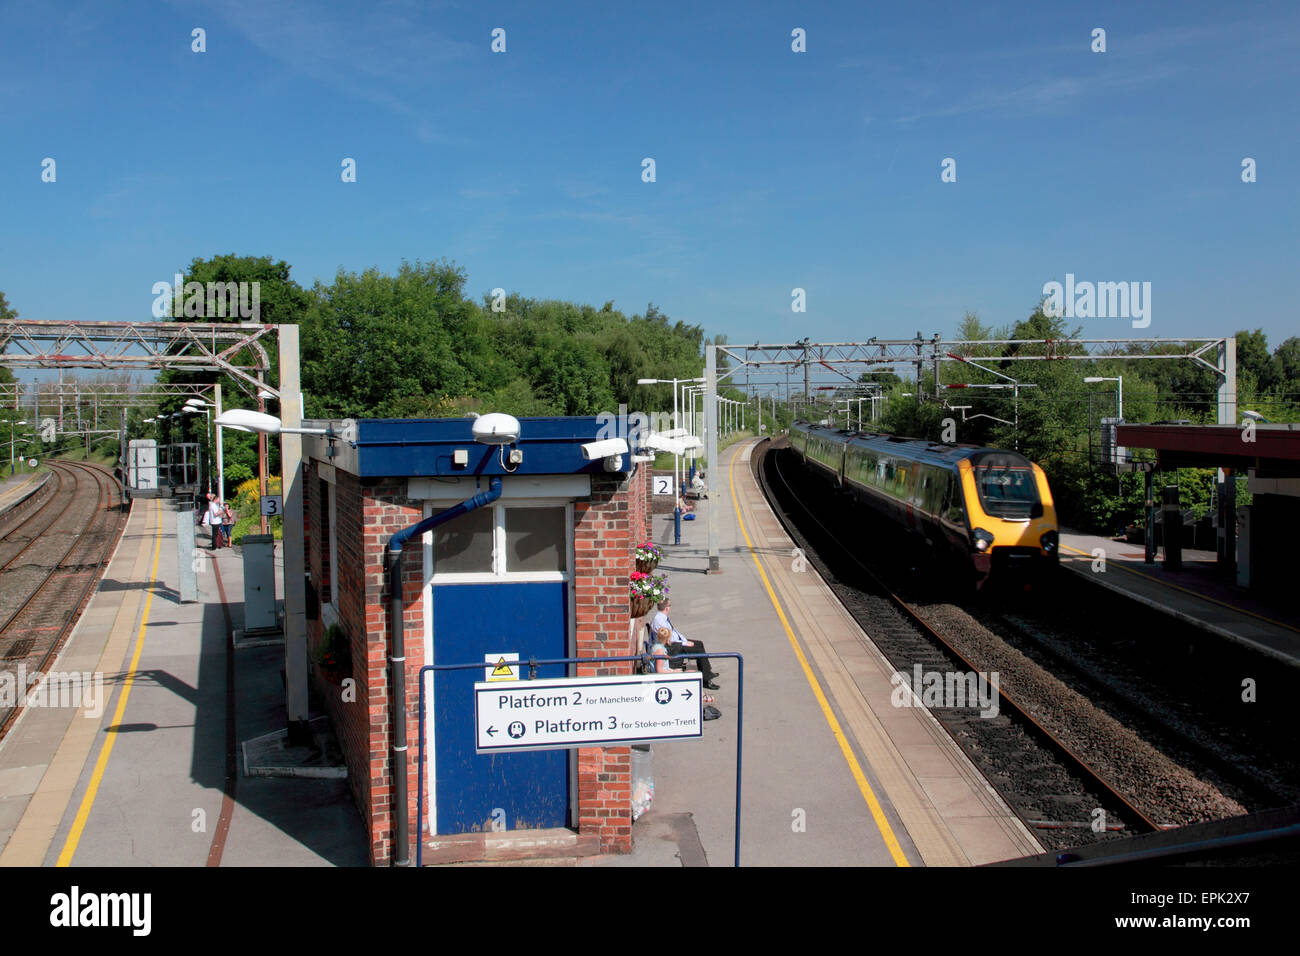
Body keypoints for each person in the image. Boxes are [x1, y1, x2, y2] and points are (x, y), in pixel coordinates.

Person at [649, 598, 720, 689]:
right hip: (670, 646)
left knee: (699, 644)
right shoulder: (659, 620)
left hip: (672, 642)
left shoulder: (661, 617)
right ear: (667, 608)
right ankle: (706, 679)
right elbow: (669, 637)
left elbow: (674, 633)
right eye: (669, 606)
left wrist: (685, 641)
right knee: (697, 647)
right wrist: (684, 643)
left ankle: (707, 672)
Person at [654, 626, 713, 703]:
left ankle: (701, 694)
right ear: (666, 638)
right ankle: (701, 696)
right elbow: (659, 670)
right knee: (693, 674)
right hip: (665, 676)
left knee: (692, 671)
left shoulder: (657, 646)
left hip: (667, 672)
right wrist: (674, 671)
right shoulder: (660, 651)